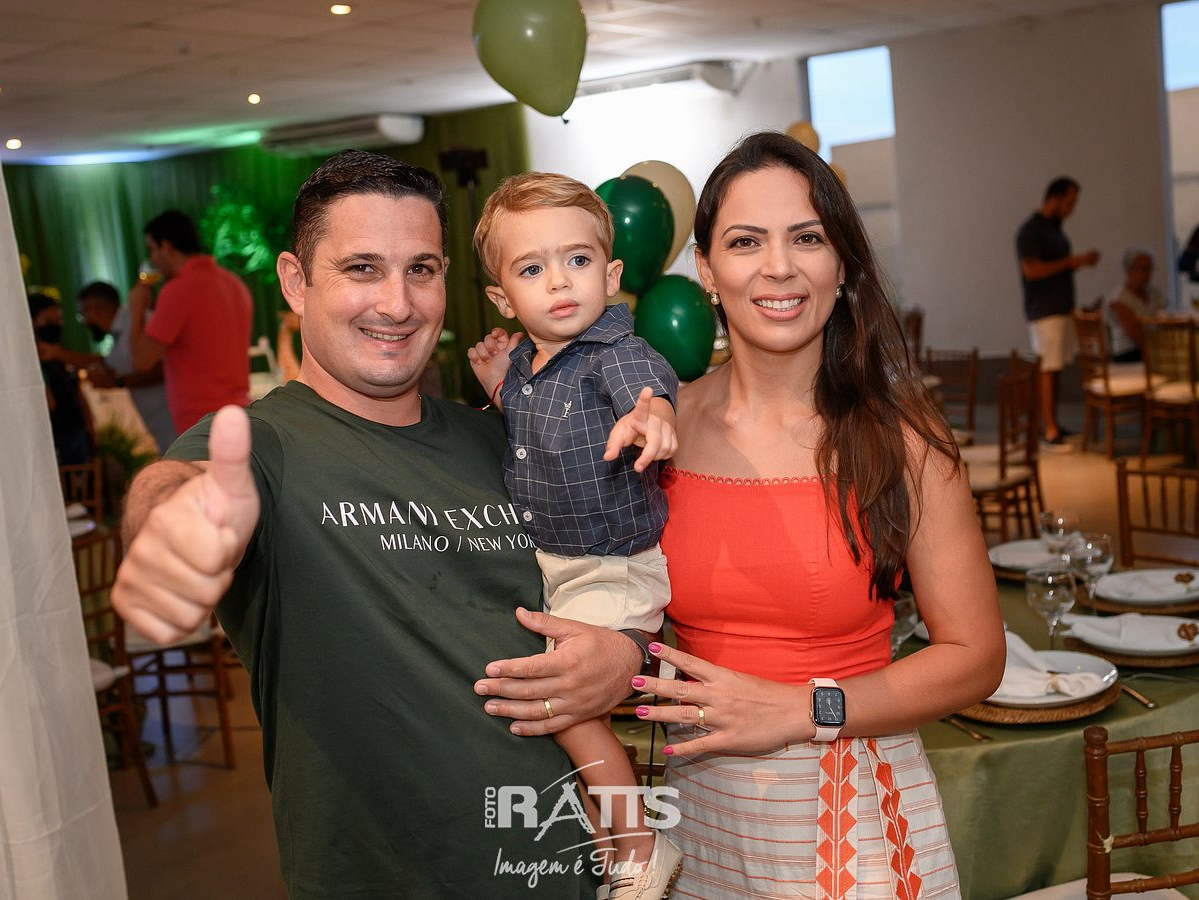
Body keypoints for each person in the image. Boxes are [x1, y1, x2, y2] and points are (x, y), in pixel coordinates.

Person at [110, 151, 648, 898]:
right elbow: (179, 491)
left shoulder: (504, 438)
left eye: (420, 270)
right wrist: (172, 524)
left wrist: (625, 651)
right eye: (362, 268)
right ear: (295, 281)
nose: (397, 304)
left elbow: (616, 567)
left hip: (567, 874)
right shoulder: (263, 448)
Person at [617, 132, 1003, 896]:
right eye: (745, 241)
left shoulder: (901, 438)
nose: (779, 267)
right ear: (706, 268)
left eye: (807, 238)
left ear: (843, 263)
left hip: (851, 807)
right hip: (701, 812)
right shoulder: (661, 430)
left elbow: (976, 655)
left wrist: (807, 707)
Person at [468, 172, 682, 898]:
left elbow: (648, 388)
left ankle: (643, 849)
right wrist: (499, 385)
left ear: (612, 276)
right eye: (532, 269)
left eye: (578, 260)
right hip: (556, 564)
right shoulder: (528, 366)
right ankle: (605, 830)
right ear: (503, 298)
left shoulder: (611, 352)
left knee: (564, 707)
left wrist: (652, 416)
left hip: (610, 565)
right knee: (548, 705)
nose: (559, 281)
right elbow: (538, 430)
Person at [128, 210, 253, 434]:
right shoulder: (233, 283)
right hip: (241, 413)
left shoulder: (178, 290)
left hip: (202, 423)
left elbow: (141, 360)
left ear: (166, 246)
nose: (153, 259)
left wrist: (136, 309)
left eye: (152, 249)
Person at [1015, 177, 1100, 446]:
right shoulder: (1031, 230)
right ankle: (1049, 428)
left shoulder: (1055, 229)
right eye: (1070, 202)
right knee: (1048, 368)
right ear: (1055, 198)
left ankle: (1053, 423)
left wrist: (1078, 262)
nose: (1072, 209)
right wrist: (1071, 262)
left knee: (1057, 366)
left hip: (1060, 307)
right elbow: (1031, 270)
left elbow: (1057, 266)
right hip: (1044, 309)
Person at [71, 281, 177, 451]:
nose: (84, 322)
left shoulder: (138, 322)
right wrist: (57, 354)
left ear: (96, 308)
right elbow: (105, 363)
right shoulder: (118, 333)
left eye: (83, 314)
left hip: (173, 417)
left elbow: (166, 369)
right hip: (162, 422)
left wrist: (118, 382)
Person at [29, 292, 96, 465]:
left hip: (77, 434)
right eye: (47, 320)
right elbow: (49, 403)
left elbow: (78, 391)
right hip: (58, 439)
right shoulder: (31, 359)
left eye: (58, 320)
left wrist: (90, 430)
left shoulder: (59, 354)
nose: (55, 325)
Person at [1102, 247, 1165, 363]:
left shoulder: (1154, 293)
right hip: (1128, 352)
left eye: (1150, 269)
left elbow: (1164, 317)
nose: (1148, 274)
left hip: (1152, 346)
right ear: (1129, 271)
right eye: (1144, 269)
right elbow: (1136, 335)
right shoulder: (1119, 298)